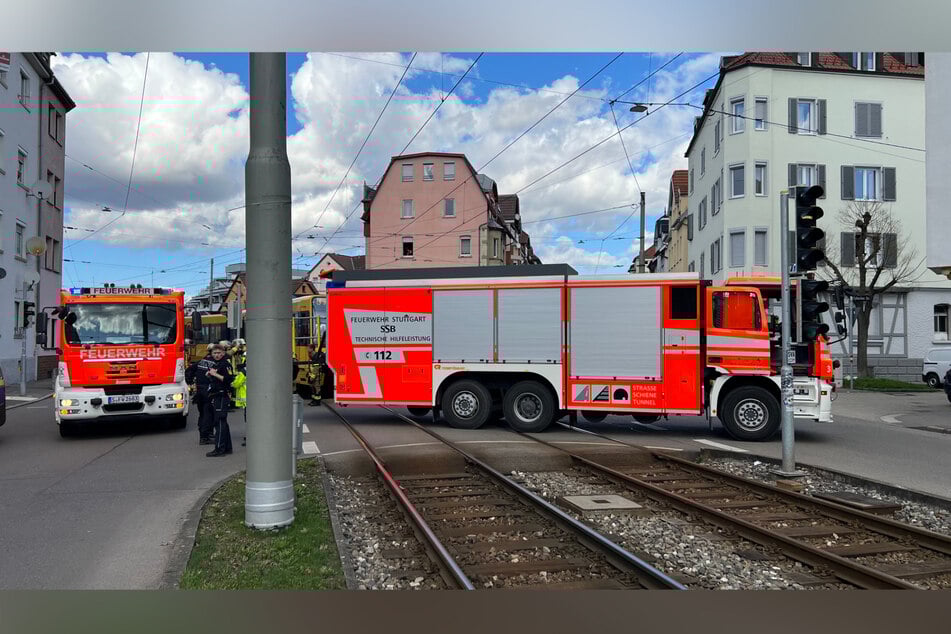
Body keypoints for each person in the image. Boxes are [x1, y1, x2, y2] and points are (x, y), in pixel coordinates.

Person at [205, 344, 234, 457]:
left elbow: (228, 380)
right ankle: (227, 447)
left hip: (222, 395)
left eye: (218, 353)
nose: (216, 355)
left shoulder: (225, 364)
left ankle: (219, 449)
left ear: (223, 353)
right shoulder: (215, 364)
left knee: (220, 422)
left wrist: (215, 374)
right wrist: (210, 375)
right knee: (223, 422)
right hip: (215, 394)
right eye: (214, 353)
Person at [194, 344, 217, 445]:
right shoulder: (214, 363)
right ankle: (205, 437)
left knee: (202, 414)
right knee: (208, 414)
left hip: (199, 391)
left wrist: (193, 382)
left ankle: (205, 435)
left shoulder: (201, 361)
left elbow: (189, 371)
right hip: (208, 391)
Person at [232, 361, 247, 446]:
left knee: (248, 420)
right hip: (257, 399)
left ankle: (250, 437)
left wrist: (232, 383)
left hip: (247, 400)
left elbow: (236, 384)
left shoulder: (244, 371)